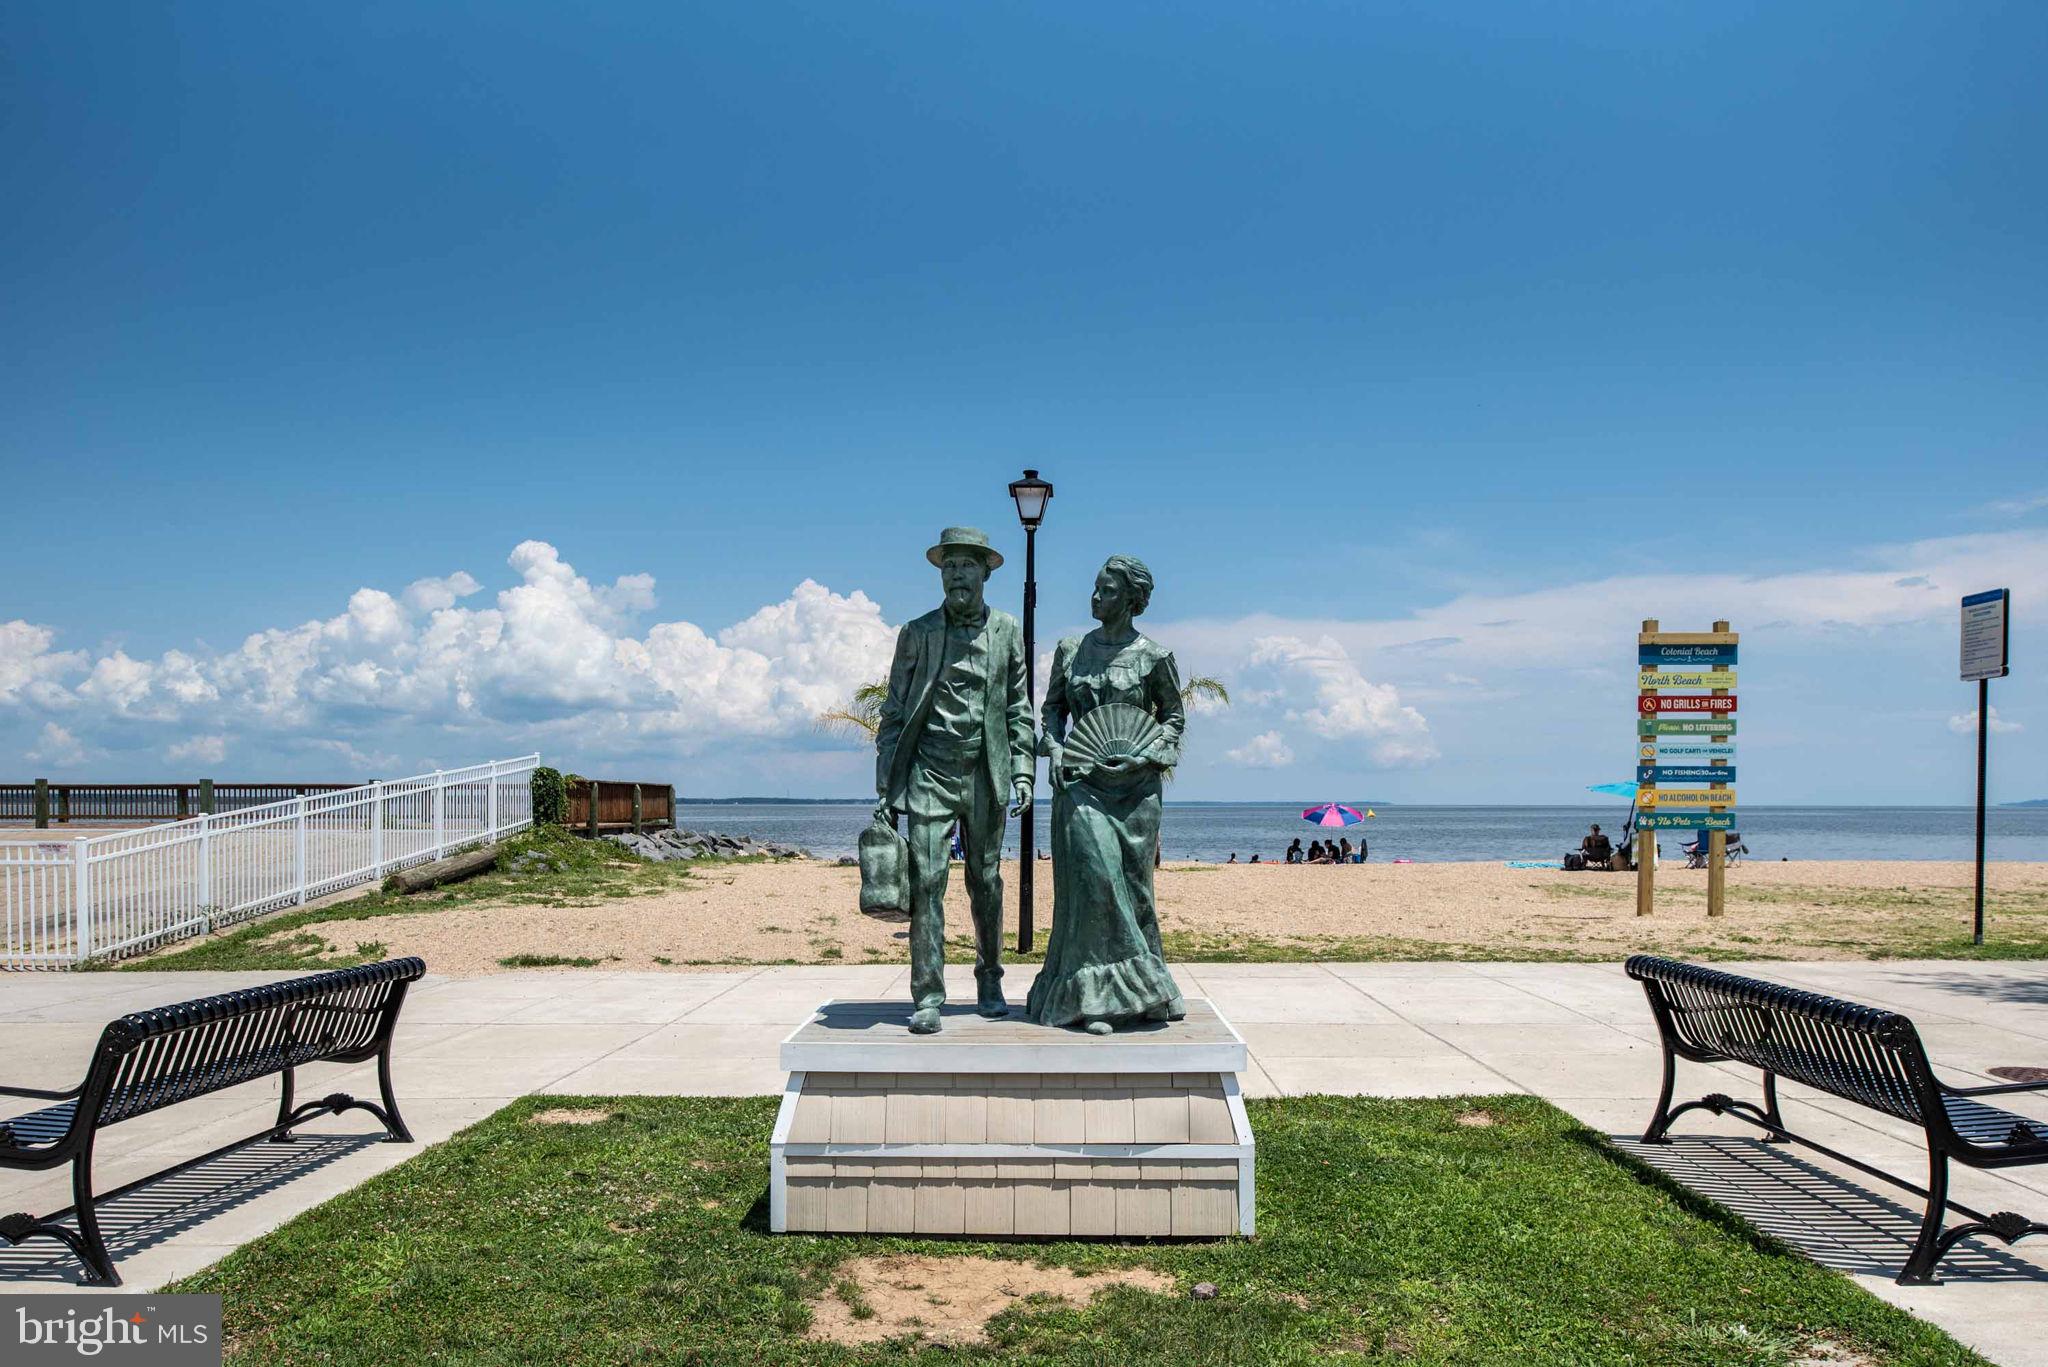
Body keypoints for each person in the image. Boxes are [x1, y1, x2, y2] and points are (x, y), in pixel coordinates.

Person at [874, 527, 1035, 1035]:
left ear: (986, 572)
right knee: (927, 882)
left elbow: (1018, 707)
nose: (957, 575)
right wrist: (887, 786)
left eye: (966, 565)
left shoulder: (1007, 630)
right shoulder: (917, 632)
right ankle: (927, 995)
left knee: (985, 881)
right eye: (949, 567)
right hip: (929, 772)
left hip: (986, 773)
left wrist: (1025, 769)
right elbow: (895, 710)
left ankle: (990, 977)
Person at [1024, 554, 1187, 1035]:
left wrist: (1145, 757)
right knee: (1094, 883)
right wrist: (1053, 750)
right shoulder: (1071, 650)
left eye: (1108, 591)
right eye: (1095, 588)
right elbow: (1051, 712)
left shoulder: (1154, 657)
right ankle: (1093, 998)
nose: (1096, 597)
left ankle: (1150, 994)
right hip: (1079, 783)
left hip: (1136, 790)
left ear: (1133, 600)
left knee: (1135, 890)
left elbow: (1173, 720)